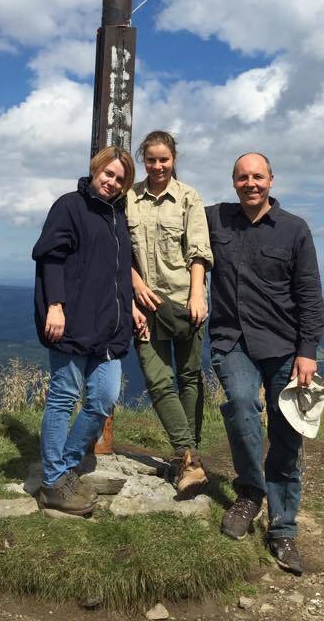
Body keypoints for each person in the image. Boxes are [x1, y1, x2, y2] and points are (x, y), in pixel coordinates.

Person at [206, 152, 324, 575]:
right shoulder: (214, 219)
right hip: (231, 340)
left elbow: (309, 293)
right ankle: (250, 493)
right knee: (240, 406)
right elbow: (166, 216)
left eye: (258, 176)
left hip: (285, 347)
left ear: (272, 180)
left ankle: (283, 528)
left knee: (287, 433)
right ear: (233, 181)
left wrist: (307, 350)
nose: (250, 183)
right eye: (242, 177)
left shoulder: (294, 230)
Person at [32, 145, 136, 516]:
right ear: (95, 170)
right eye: (108, 174)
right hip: (72, 321)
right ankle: (52, 483)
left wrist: (132, 307)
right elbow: (51, 257)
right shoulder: (69, 206)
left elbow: (119, 271)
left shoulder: (117, 216)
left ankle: (66, 467)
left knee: (103, 399)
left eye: (120, 179)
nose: (111, 182)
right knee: (63, 397)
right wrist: (55, 305)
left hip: (109, 328)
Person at [127, 130, 214, 497]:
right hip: (146, 305)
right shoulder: (128, 199)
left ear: (174, 159)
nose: (158, 166)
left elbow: (198, 251)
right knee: (158, 379)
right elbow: (119, 253)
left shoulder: (188, 197)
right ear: (143, 161)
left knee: (189, 377)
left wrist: (198, 295)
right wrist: (133, 289)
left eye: (164, 159)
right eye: (151, 160)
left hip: (184, 300)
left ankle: (186, 460)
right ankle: (189, 459)